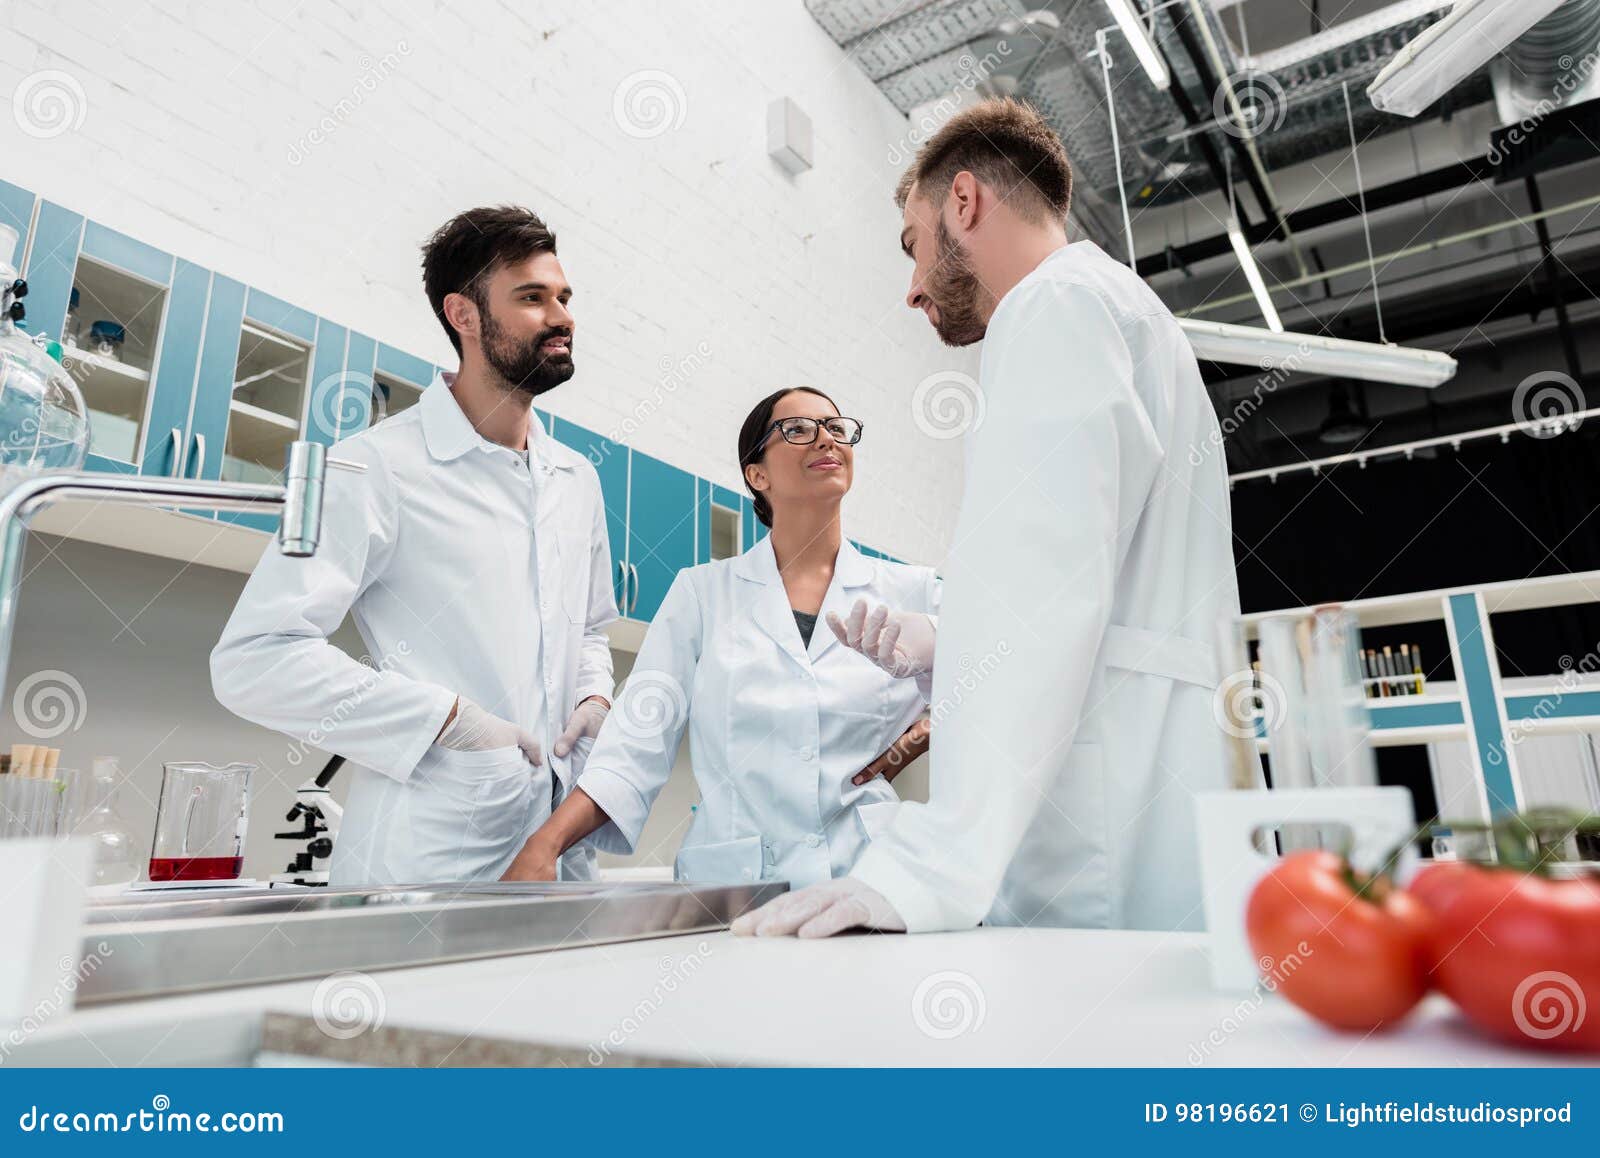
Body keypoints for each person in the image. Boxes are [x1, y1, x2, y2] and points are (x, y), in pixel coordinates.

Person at [734, 97, 1239, 938]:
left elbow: (1043, 587)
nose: (911, 288)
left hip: (1094, 823)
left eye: (912, 245)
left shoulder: (1052, 308)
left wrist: (928, 867)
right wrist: (952, 643)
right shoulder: (1125, 309)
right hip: (1151, 781)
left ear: (962, 203)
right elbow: (1093, 574)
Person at [210, 206, 617, 885]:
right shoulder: (372, 467)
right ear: (463, 315)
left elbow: (594, 629)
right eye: (531, 298)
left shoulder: (577, 480)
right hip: (428, 864)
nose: (561, 317)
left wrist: (595, 698)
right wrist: (448, 721)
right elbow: (255, 660)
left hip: (559, 857)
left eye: (564, 298)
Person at [499, 387, 937, 885]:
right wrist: (546, 843)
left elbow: (1017, 683)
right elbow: (637, 742)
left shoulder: (914, 591)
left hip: (873, 878)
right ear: (757, 474)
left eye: (837, 429)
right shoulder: (703, 594)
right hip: (735, 889)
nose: (825, 440)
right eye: (798, 430)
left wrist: (932, 729)